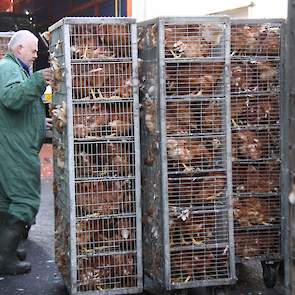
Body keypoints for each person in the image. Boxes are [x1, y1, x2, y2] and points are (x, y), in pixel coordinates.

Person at [0, 30, 54, 275]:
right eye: (33, 51)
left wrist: (40, 123)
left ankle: (6, 250)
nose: (35, 56)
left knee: (7, 201)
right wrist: (39, 80)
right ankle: (7, 259)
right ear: (19, 48)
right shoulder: (7, 68)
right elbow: (11, 98)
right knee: (24, 200)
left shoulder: (16, 69)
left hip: (15, 141)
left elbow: (19, 106)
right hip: (15, 147)